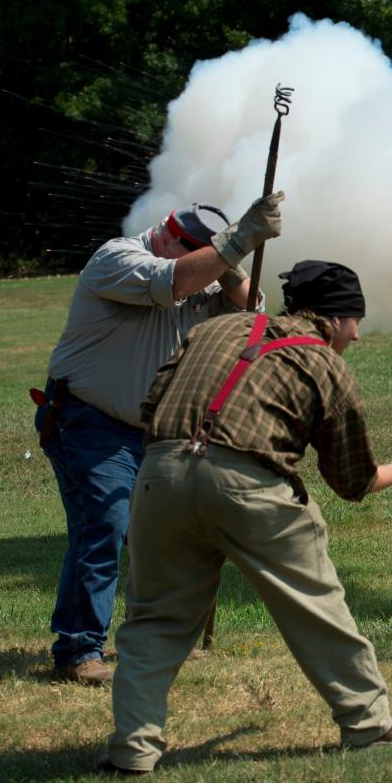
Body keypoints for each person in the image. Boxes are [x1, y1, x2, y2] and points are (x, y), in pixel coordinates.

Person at [96, 260, 392, 775]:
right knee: (315, 605)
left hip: (158, 474)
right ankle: (369, 723)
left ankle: (132, 750)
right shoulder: (325, 363)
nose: (358, 335)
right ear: (333, 319)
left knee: (154, 621)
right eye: (354, 320)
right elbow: (352, 480)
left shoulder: (213, 328)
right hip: (247, 485)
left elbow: (152, 401)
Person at [37, 192, 283, 685]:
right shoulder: (118, 258)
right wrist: (235, 243)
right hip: (87, 420)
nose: (205, 268)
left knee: (163, 533)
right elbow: (174, 280)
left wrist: (232, 259)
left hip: (149, 429)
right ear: (168, 236)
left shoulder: (196, 272)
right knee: (102, 525)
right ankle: (79, 650)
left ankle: (158, 637)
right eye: (196, 252)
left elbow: (251, 310)